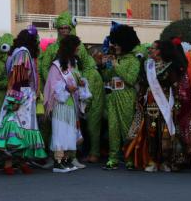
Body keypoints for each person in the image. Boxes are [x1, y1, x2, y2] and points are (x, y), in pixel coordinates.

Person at [39, 12, 102, 166]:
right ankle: (53, 157)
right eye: (61, 28)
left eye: (67, 27)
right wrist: (55, 86)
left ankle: (71, 158)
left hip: (73, 96)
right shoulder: (52, 48)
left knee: (72, 127)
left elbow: (87, 66)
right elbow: (45, 68)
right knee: (55, 128)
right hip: (59, 95)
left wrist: (82, 82)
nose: (64, 30)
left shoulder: (78, 48)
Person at [0, 28, 47, 174]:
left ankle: (19, 162)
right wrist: (16, 99)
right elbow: (18, 78)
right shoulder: (23, 53)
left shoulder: (16, 53)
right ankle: (10, 164)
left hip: (20, 94)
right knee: (15, 127)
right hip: (21, 95)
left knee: (18, 128)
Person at [125, 40, 182, 172]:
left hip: (166, 104)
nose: (150, 50)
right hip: (151, 105)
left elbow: (175, 86)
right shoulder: (146, 65)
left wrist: (177, 104)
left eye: (153, 48)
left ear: (161, 51)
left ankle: (166, 161)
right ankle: (152, 160)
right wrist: (139, 98)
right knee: (151, 132)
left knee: (165, 132)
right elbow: (143, 85)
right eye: (150, 48)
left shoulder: (169, 66)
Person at [44, 34, 90, 173]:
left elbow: (72, 81)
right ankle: (58, 162)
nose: (78, 50)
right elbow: (52, 85)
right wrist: (65, 88)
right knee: (60, 131)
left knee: (69, 132)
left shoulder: (70, 64)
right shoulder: (56, 66)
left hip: (70, 103)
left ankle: (65, 160)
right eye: (77, 47)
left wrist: (80, 83)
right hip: (60, 103)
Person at [101, 24, 141, 170]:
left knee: (126, 128)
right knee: (113, 129)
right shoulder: (115, 59)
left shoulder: (133, 60)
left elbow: (130, 79)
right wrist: (106, 67)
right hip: (113, 97)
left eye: (117, 43)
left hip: (126, 97)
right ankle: (113, 158)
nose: (114, 46)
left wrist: (116, 65)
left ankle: (130, 157)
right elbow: (106, 77)